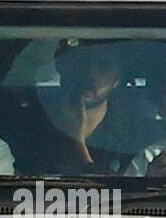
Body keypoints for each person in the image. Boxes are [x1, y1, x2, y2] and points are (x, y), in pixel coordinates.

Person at [11, 42, 135, 175]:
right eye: (81, 62)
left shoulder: (136, 136)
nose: (91, 74)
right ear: (61, 67)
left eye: (104, 67)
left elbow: (121, 193)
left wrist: (76, 143)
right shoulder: (23, 125)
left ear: (118, 79)